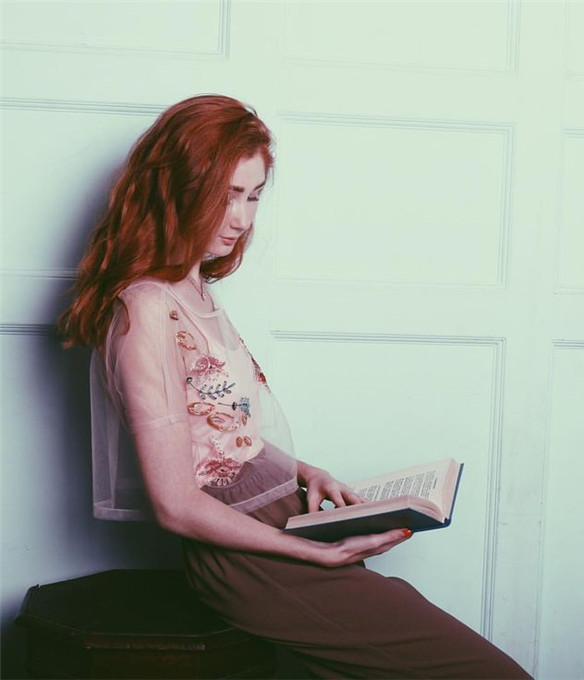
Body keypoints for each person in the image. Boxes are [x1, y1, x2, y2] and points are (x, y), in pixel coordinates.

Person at [58, 94, 532, 679]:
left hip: (279, 522)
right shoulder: (147, 307)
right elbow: (175, 504)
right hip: (246, 557)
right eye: (226, 194)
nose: (241, 218)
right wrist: (310, 551)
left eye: (254, 195)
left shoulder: (194, 288)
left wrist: (305, 472)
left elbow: (220, 436)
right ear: (175, 187)